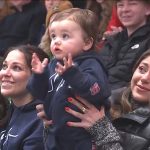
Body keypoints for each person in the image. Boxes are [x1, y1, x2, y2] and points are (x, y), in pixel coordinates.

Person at [27, 8, 111, 150]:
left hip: (82, 137)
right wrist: (39, 75)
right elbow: (38, 94)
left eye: (65, 36)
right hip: (55, 135)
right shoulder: (53, 63)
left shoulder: (91, 63)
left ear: (87, 43)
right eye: (53, 36)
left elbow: (97, 90)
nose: (56, 42)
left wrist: (73, 74)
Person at [65, 49, 150, 150]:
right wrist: (54, 121)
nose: (144, 78)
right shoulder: (108, 98)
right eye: (142, 69)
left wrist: (101, 130)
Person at [0, 45, 49, 150]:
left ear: (36, 76)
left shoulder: (41, 120)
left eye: (16, 68)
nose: (5, 73)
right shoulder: (11, 109)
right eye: (4, 66)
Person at [99, 0, 150, 90]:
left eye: (132, 3)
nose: (125, 9)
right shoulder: (111, 40)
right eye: (120, 5)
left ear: (148, 9)